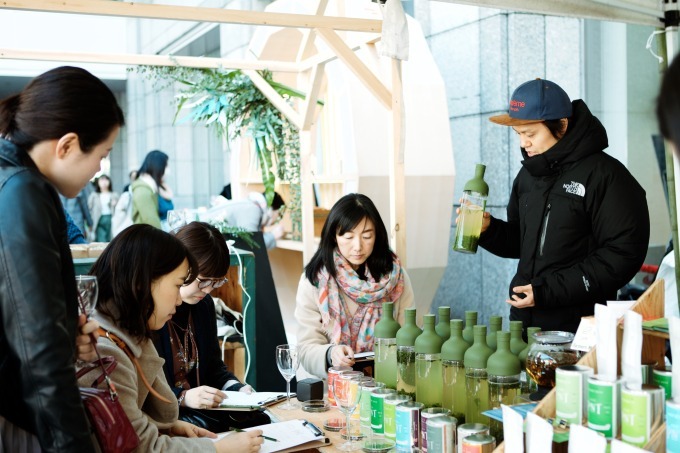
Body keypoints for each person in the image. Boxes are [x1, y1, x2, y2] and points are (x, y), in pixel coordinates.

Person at [0, 66, 124, 452]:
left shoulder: (14, 182)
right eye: (102, 155)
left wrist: (66, 332)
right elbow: (38, 352)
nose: (100, 169)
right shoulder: (23, 192)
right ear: (67, 145)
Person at [475, 78, 650, 333]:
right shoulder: (528, 176)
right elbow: (522, 242)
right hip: (524, 324)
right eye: (519, 134)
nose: (523, 143)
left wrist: (547, 291)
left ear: (561, 125)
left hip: (580, 328)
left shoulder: (605, 176)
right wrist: (489, 230)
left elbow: (622, 254)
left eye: (530, 134)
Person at [82, 224, 263, 452]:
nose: (178, 301)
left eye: (216, 283)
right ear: (144, 282)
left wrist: (168, 426)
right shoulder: (106, 351)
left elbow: (134, 420)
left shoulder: (130, 330)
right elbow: (141, 447)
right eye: (179, 284)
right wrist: (219, 449)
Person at [154, 221, 268, 432]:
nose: (207, 290)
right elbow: (146, 387)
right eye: (203, 280)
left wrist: (236, 388)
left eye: (216, 282)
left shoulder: (202, 305)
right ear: (180, 268)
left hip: (201, 408)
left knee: (261, 418)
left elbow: (214, 367)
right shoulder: (154, 311)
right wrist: (183, 397)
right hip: (169, 413)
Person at [295, 193, 414, 380]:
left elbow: (411, 336)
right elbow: (306, 349)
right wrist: (330, 353)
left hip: (387, 388)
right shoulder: (316, 281)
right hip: (335, 394)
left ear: (377, 235)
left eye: (367, 236)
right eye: (348, 237)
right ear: (334, 236)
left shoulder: (395, 278)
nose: (358, 246)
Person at [132, 149, 169, 228]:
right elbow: (151, 221)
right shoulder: (142, 190)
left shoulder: (151, 186)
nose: (168, 170)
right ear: (158, 167)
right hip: (146, 237)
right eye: (166, 166)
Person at [88, 174, 118, 242]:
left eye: (106, 180)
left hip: (111, 218)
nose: (104, 182)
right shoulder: (94, 195)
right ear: (98, 183)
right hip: (99, 219)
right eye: (101, 180)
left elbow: (119, 209)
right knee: (102, 240)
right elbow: (89, 208)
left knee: (111, 238)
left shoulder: (114, 195)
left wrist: (115, 204)